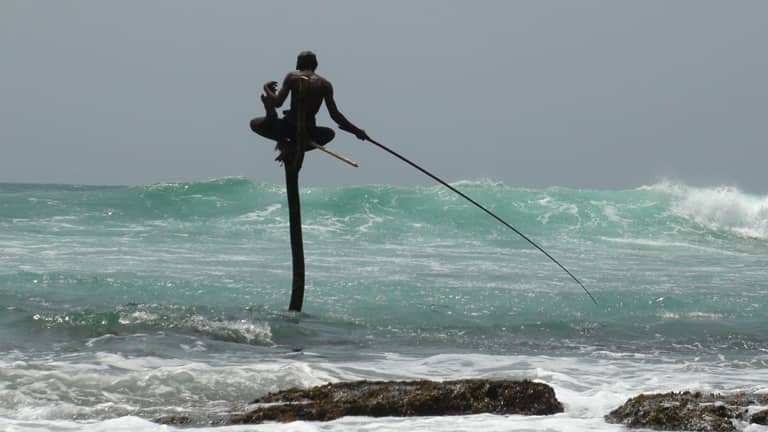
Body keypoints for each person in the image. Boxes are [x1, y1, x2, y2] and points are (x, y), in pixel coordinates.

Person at [250, 51, 369, 167]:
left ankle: (290, 146)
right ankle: (293, 146)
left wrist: (266, 88)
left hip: (288, 127)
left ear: (298, 65)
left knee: (254, 123)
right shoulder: (325, 84)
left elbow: (278, 103)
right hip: (309, 131)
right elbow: (335, 115)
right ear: (315, 65)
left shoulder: (292, 77)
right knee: (329, 134)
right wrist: (356, 131)